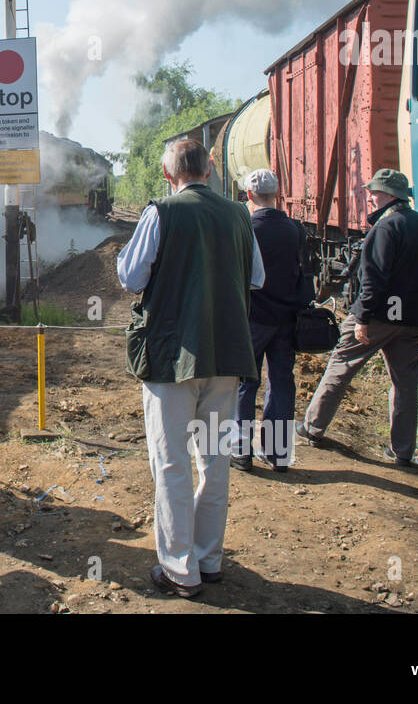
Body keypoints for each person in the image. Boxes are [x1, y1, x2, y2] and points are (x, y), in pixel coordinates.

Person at [118, 139, 264, 599]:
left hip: (170, 359)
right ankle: (209, 558)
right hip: (227, 356)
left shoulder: (161, 212)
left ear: (168, 174)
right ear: (210, 169)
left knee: (171, 462)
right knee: (214, 460)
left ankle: (180, 569)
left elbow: (131, 278)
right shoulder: (241, 215)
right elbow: (257, 277)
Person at [298, 169, 418, 465]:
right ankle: (402, 451)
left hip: (378, 316)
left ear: (387, 194)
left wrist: (361, 317)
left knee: (341, 364)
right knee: (404, 383)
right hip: (411, 318)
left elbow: (374, 280)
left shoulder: (386, 228)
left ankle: (312, 428)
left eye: (374, 191)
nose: (370, 196)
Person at [234, 168, 310, 473]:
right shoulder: (295, 229)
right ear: (276, 194)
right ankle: (278, 454)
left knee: (244, 384)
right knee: (282, 383)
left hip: (253, 319)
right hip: (286, 319)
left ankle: (241, 452)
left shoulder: (245, 229)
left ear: (250, 196)